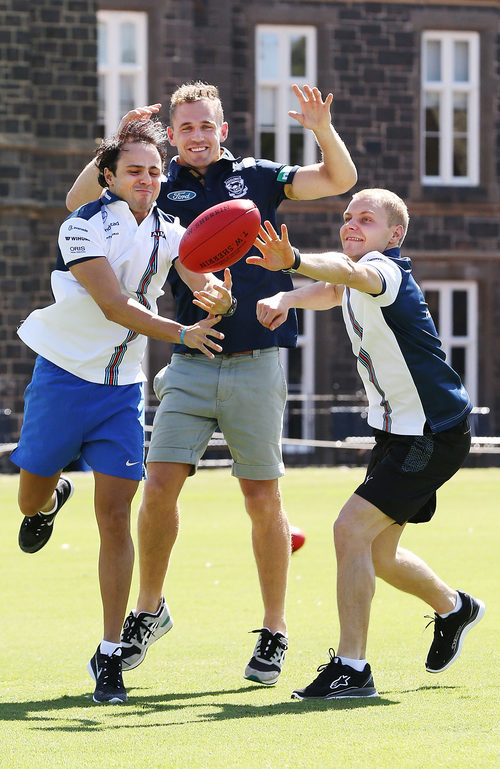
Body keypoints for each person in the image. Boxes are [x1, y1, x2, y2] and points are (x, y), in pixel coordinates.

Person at [66, 82, 358, 686]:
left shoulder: (256, 177)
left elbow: (337, 181)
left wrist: (321, 129)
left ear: (222, 130)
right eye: (186, 127)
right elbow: (77, 203)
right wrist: (119, 141)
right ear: (171, 135)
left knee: (260, 499)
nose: (197, 135)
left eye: (207, 126)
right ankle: (149, 610)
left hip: (256, 360)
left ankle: (274, 630)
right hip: (191, 355)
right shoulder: (153, 181)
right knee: (160, 486)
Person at [11, 118, 233, 704]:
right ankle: (49, 498)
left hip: (122, 389)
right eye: (134, 170)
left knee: (115, 517)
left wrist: (219, 292)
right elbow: (113, 305)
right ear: (107, 177)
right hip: (62, 374)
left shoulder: (172, 231)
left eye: (156, 171)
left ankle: (110, 653)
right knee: (28, 495)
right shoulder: (81, 225)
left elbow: (198, 273)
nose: (148, 179)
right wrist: (183, 332)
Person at [247, 187, 485, 699]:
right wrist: (288, 295)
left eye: (367, 219)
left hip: (433, 433)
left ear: (394, 235)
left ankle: (352, 669)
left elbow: (350, 275)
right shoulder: (355, 280)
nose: (351, 224)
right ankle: (455, 607)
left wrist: (295, 262)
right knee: (377, 553)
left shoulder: (385, 271)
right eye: (347, 217)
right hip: (399, 433)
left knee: (349, 530)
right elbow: (335, 289)